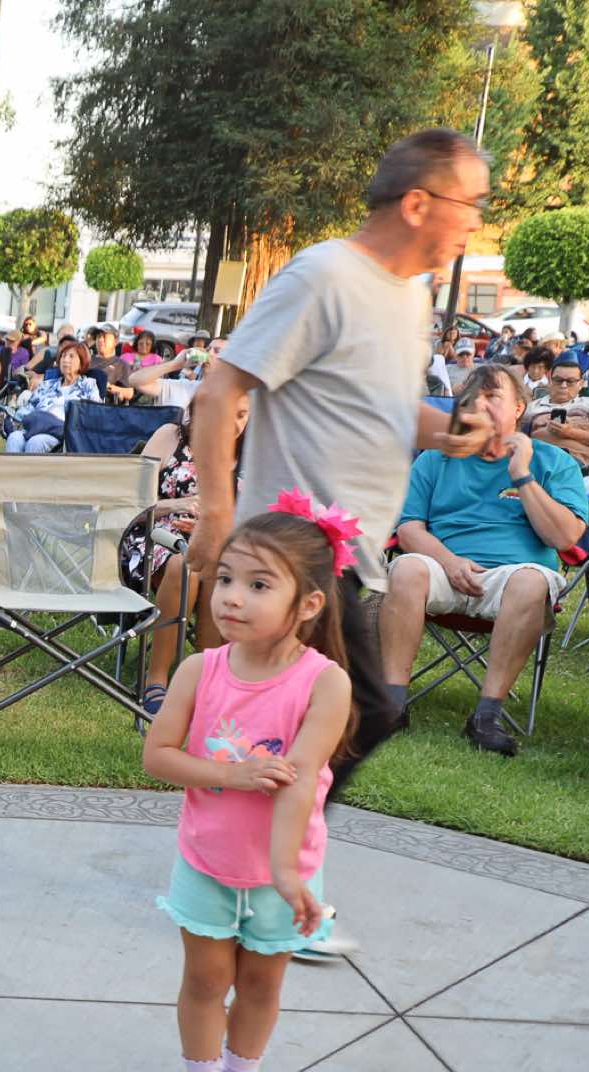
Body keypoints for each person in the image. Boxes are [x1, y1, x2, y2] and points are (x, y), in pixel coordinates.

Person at [187, 128, 491, 795]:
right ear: (417, 204)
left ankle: (256, 839)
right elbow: (218, 392)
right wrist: (216, 516)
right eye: (470, 203)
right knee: (361, 714)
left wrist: (448, 430)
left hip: (350, 555)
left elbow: (382, 404)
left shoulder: (410, 294)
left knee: (320, 729)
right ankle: (251, 840)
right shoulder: (324, 276)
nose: (476, 221)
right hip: (293, 552)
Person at [142, 505, 356, 1072]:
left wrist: (287, 874)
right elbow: (158, 755)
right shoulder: (199, 670)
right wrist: (229, 775)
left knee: (263, 983)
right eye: (227, 578)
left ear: (308, 603)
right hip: (207, 859)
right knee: (206, 978)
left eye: (259, 585)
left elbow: (300, 780)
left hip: (282, 869)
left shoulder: (325, 683)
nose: (232, 597)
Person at [380, 364, 586, 756]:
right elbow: (409, 530)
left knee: (532, 581)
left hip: (514, 578)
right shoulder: (435, 459)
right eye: (470, 399)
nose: (479, 405)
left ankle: (486, 716)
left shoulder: (553, 462)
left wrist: (522, 475)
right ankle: (391, 703)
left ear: (519, 408)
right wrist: (450, 561)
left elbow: (564, 537)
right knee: (405, 567)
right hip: (444, 568)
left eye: (492, 397)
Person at [125, 395, 251, 716]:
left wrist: (216, 527)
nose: (235, 423)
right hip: (155, 539)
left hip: (219, 547)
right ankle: (156, 677)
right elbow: (130, 500)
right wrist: (175, 505)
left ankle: (209, 677)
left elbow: (257, 523)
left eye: (242, 415)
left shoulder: (250, 456)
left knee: (215, 568)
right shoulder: (172, 436)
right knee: (186, 565)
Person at [520, 354, 589, 471]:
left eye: (570, 381)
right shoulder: (533, 407)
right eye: (558, 380)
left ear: (580, 384)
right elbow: (520, 436)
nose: (563, 386)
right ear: (550, 381)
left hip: (573, 460)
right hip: (536, 456)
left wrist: (570, 432)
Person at [2, 338, 99, 451]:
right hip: (36, 428)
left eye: (71, 356)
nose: (65, 360)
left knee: (36, 442)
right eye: (63, 356)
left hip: (62, 434)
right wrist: (12, 419)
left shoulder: (88, 385)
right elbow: (28, 409)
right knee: (14, 438)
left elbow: (95, 414)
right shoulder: (47, 385)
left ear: (81, 362)